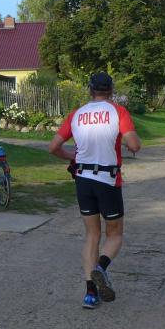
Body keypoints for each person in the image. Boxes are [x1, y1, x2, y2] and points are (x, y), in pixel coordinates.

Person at [48, 72, 141, 309]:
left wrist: (73, 157)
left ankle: (90, 294)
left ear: (90, 90)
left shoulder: (76, 114)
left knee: (91, 235)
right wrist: (125, 140)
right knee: (115, 234)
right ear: (111, 90)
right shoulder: (118, 112)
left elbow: (54, 147)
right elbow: (134, 144)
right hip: (108, 180)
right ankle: (101, 267)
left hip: (83, 179)